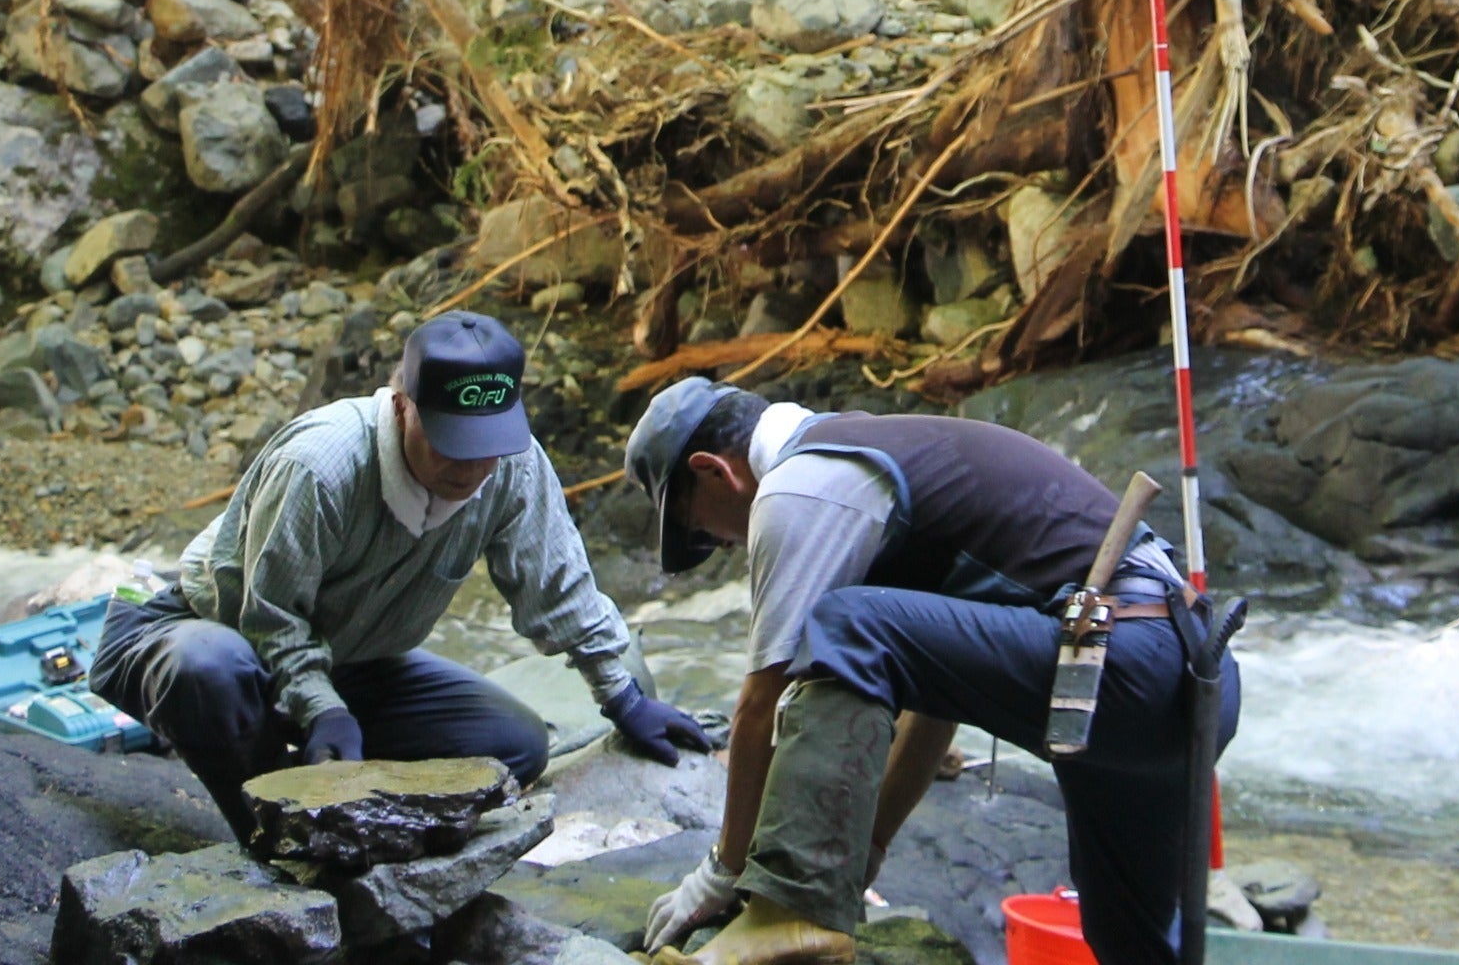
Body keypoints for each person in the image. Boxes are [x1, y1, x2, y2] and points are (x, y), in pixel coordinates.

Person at [625, 379, 1238, 965]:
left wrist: (722, 874)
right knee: (1129, 938)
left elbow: (760, 704)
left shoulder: (801, 486)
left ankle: (788, 910)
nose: (723, 547)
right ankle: (801, 905)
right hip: (1192, 683)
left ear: (712, 470)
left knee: (845, 625)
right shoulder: (875, 453)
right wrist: (863, 855)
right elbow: (938, 705)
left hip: (1123, 663)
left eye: (704, 530)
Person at [91, 311, 709, 841]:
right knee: (212, 667)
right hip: (202, 630)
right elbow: (270, 619)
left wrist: (622, 696)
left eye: (487, 442)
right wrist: (321, 710)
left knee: (516, 745)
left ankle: (354, 807)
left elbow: (559, 586)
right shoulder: (321, 467)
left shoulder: (512, 466)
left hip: (350, 660)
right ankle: (277, 842)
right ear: (401, 405)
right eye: (451, 441)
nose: (470, 465)